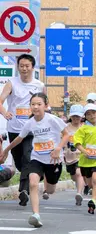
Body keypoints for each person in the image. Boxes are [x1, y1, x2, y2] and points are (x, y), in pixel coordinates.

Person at [0, 93, 69, 228]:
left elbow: (66, 134)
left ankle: (46, 185)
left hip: (53, 161)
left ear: (46, 105)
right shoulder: (29, 123)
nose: (36, 107)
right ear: (30, 106)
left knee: (50, 190)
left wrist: (58, 148)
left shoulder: (52, 120)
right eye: (33, 104)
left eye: (39, 104)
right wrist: (6, 150)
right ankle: (36, 215)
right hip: (37, 159)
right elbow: (19, 139)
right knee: (32, 182)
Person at [0, 54, 45, 206]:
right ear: (18, 67)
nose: (24, 69)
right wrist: (5, 112)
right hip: (14, 128)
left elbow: (45, 105)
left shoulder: (39, 85)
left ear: (33, 67)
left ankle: (24, 189)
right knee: (20, 161)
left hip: (32, 129)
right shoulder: (11, 83)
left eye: (27, 66)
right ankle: (27, 178)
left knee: (28, 156)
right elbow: (0, 101)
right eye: (21, 66)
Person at [64, 104, 85, 205]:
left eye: (78, 116)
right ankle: (80, 186)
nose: (76, 118)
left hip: (81, 156)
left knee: (79, 173)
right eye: (74, 116)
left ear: (82, 117)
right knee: (73, 176)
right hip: (69, 157)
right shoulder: (65, 128)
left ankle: (79, 193)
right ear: (70, 116)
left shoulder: (85, 128)